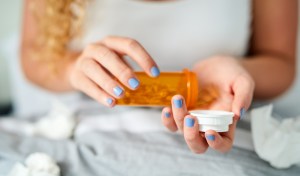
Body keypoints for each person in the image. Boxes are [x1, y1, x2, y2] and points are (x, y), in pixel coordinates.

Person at [21, 0, 297, 153]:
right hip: (94, 133)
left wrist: (241, 72)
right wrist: (73, 68)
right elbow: (32, 55)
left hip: (222, 122)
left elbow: (281, 63)